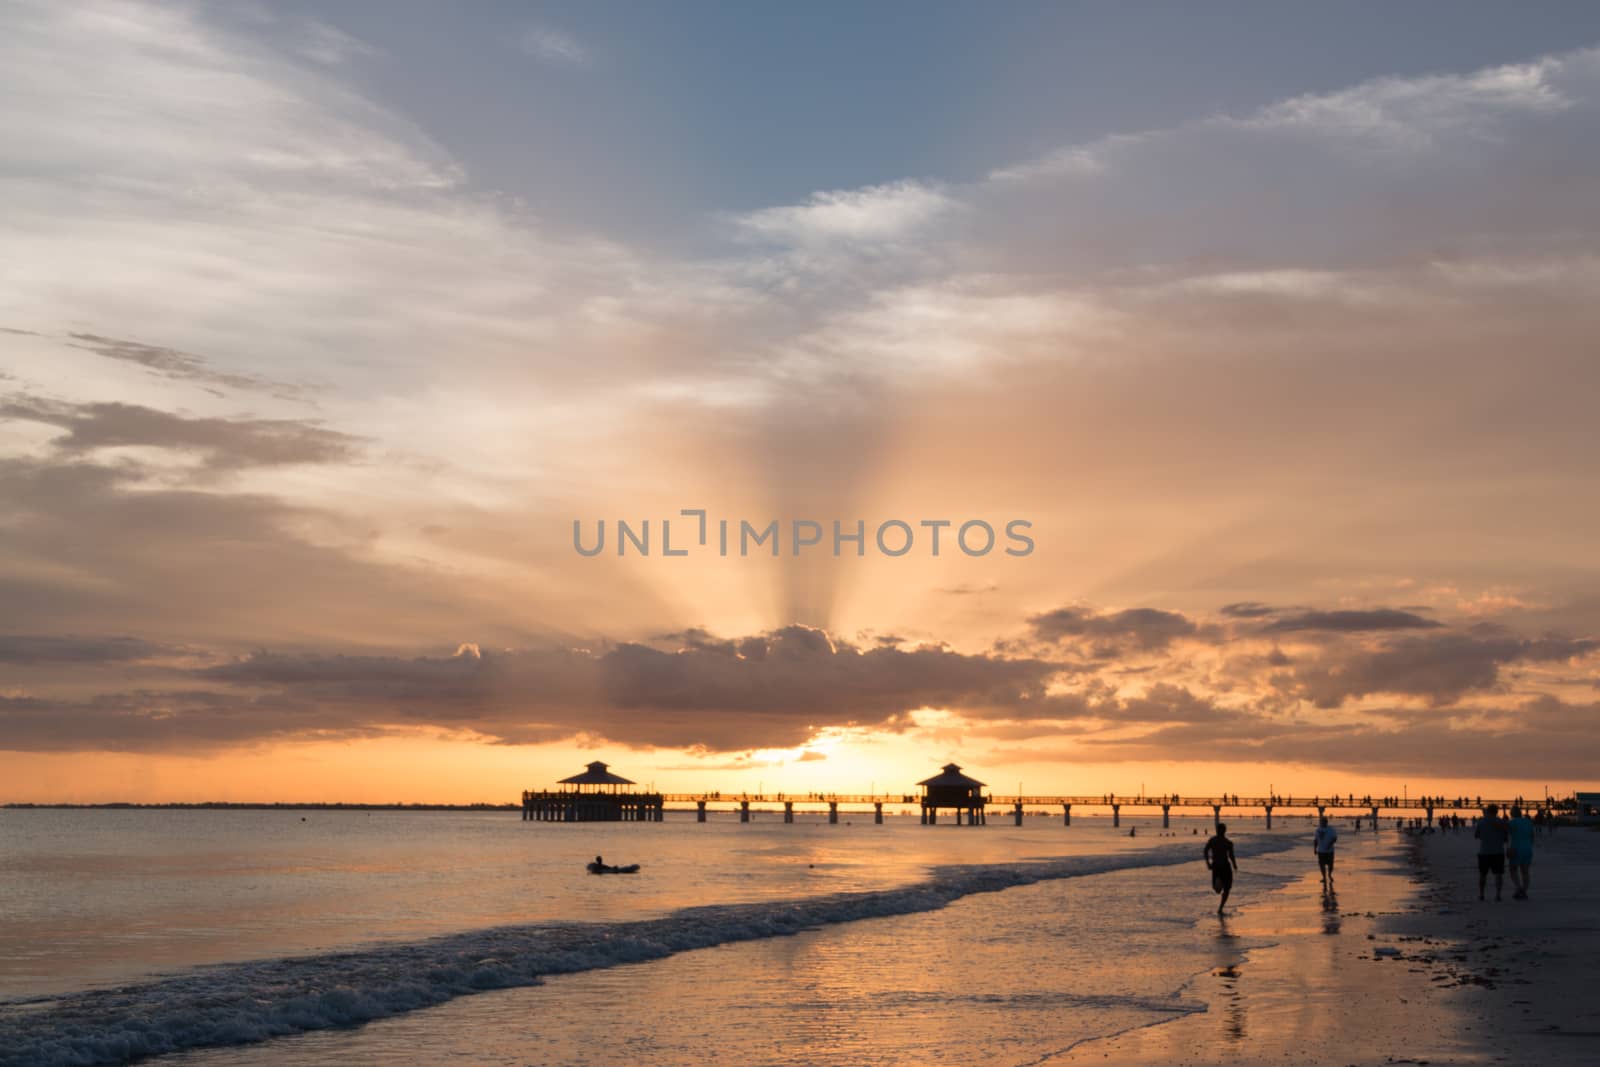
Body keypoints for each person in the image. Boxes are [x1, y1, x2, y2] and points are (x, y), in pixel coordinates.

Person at [1474, 804, 1510, 902]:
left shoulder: (1481, 822)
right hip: (1498, 851)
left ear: (1488, 811)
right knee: (1498, 874)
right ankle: (1498, 895)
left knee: (1483, 874)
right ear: (1496, 812)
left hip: (1484, 851)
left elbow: (1476, 835)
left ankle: (1481, 895)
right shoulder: (1501, 822)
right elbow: (1506, 838)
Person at [1205, 823, 1238, 914]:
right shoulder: (1215, 841)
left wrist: (1234, 864)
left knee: (1226, 889)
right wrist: (1208, 862)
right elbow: (1205, 851)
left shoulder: (1227, 842)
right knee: (1219, 890)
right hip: (1219, 867)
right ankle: (1221, 907)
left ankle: (1220, 908)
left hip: (1222, 867)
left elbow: (1231, 855)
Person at [1506, 806, 1534, 900]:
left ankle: (1519, 888)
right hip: (1527, 848)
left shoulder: (1512, 822)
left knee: (1513, 870)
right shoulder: (1528, 822)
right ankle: (1524, 891)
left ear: (1512, 813)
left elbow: (1506, 835)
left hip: (1516, 848)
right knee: (1525, 871)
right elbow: (1532, 837)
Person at [1313, 815, 1338, 887]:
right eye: (1321, 822)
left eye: (1324, 822)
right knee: (1321, 865)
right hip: (1321, 851)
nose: (1322, 823)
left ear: (1326, 822)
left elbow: (1335, 838)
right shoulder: (1318, 830)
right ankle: (1324, 877)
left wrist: (1329, 845)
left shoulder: (1331, 829)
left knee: (1330, 865)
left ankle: (1329, 875)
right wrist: (1315, 849)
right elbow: (1315, 840)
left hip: (1330, 851)